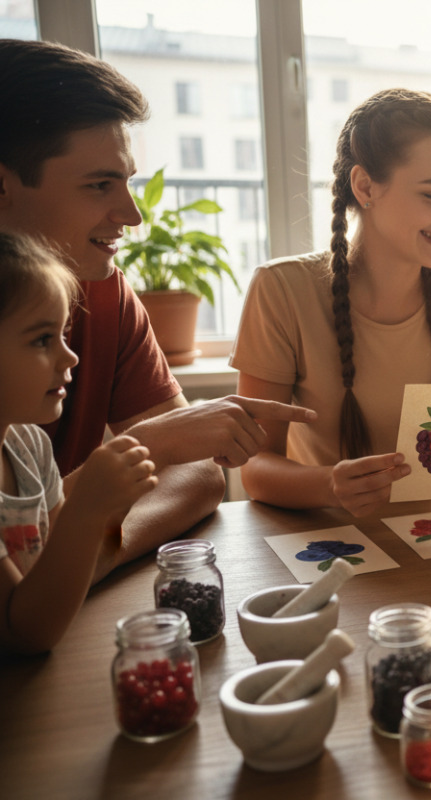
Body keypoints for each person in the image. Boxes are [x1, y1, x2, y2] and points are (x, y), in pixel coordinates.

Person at [0, 38, 316, 582]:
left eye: (127, 182)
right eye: (100, 185)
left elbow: (197, 474)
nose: (132, 215)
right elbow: (167, 448)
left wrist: (85, 558)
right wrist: (151, 445)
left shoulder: (105, 293)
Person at [230, 88, 431, 517]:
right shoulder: (281, 289)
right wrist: (329, 485)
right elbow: (256, 469)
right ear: (365, 185)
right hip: (331, 543)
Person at [0, 232, 158, 653]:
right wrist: (88, 507)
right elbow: (25, 632)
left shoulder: (29, 448)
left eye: (63, 334)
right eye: (41, 339)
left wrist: (109, 505)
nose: (70, 358)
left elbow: (61, 571)